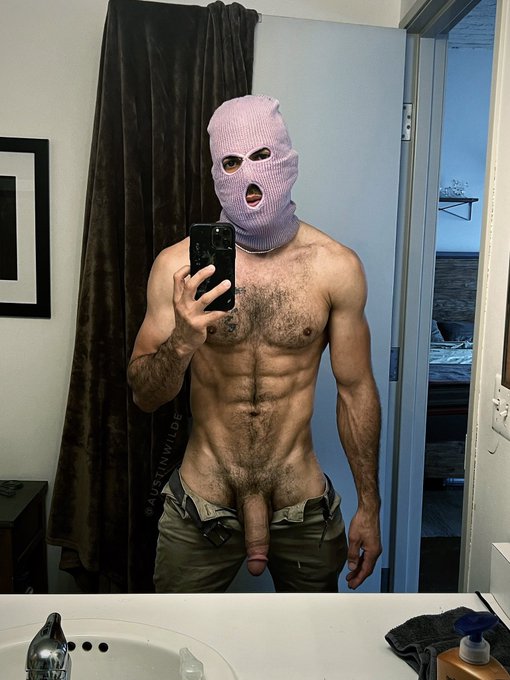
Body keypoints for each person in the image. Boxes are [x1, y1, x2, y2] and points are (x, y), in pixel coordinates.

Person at [127, 94, 382, 593]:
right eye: (231, 162)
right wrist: (182, 341)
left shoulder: (335, 267)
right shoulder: (178, 267)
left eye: (262, 155)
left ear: (286, 159)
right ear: (215, 173)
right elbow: (144, 395)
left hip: (300, 501)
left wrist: (369, 506)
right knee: (178, 640)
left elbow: (356, 391)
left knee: (314, 642)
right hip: (202, 500)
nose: (248, 175)